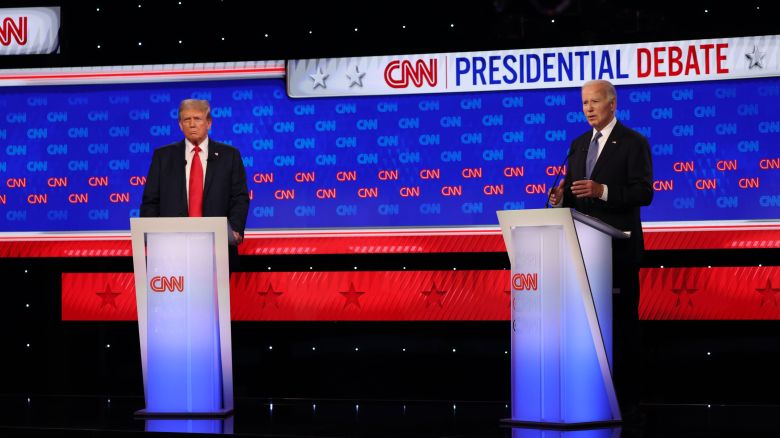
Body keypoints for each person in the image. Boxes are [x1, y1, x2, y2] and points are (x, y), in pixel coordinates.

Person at [548, 80, 653, 419]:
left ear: (612, 104)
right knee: (586, 331)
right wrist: (559, 198)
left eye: (594, 102)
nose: (588, 108)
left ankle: (627, 403)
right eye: (583, 103)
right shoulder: (578, 145)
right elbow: (575, 195)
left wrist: (602, 190)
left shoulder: (634, 143)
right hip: (582, 255)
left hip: (617, 254)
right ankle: (590, 398)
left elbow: (643, 193)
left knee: (621, 330)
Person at [140, 99, 250, 270]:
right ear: (180, 125)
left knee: (213, 297)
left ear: (209, 123)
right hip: (170, 250)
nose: (192, 124)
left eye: (197, 119)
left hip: (216, 248)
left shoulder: (230, 156)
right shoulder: (163, 156)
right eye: (186, 119)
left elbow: (239, 198)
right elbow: (150, 200)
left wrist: (235, 229)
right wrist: (150, 235)